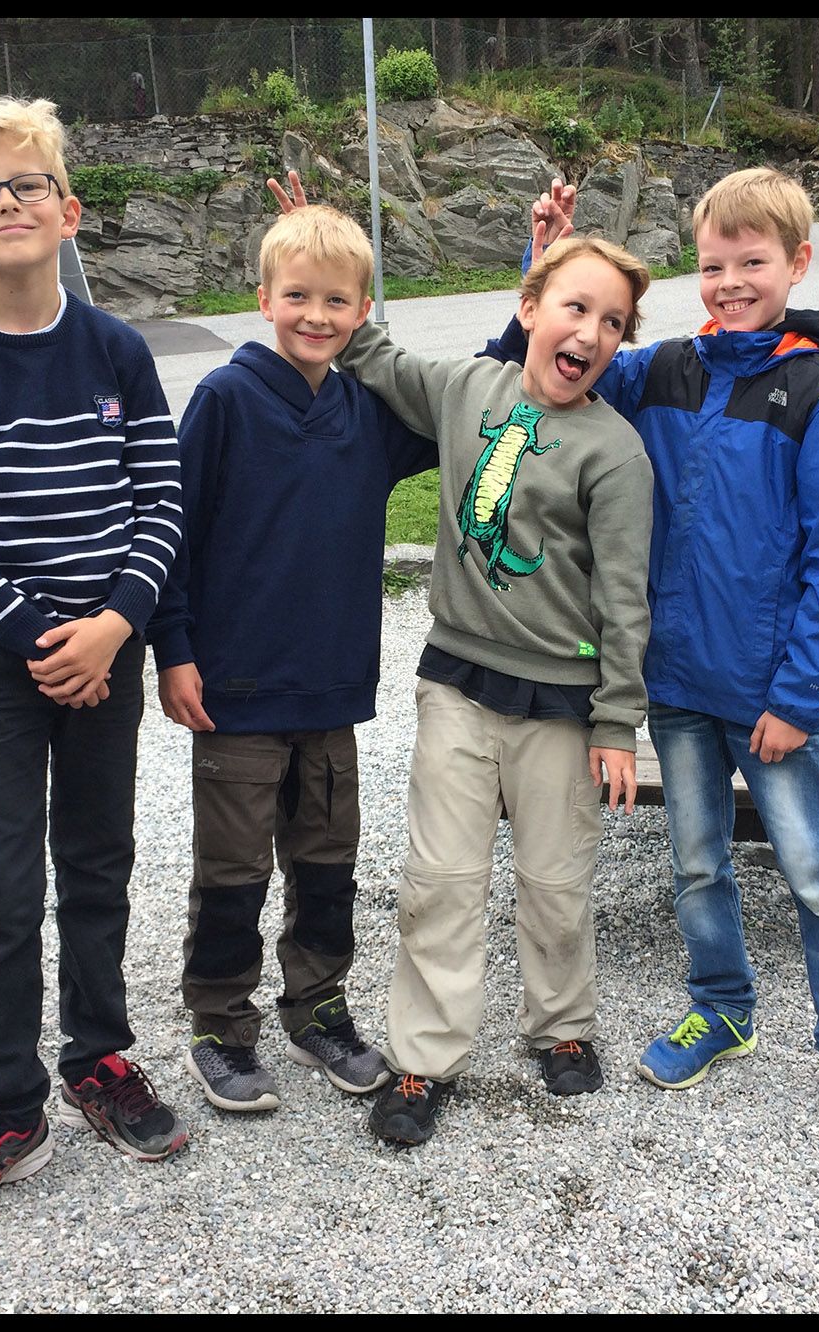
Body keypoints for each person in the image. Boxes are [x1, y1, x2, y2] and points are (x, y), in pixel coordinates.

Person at [519, 169, 819, 1158]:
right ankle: (722, 1008)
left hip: (772, 700)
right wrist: (549, 261)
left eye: (752, 262)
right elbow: (554, 363)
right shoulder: (662, 371)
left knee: (817, 881)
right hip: (679, 688)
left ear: (798, 263)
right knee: (697, 867)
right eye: (713, 265)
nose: (731, 282)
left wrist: (802, 697)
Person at [0, 95, 187, 1242]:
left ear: (69, 210)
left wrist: (113, 626)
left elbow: (159, 501)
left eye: (27, 185)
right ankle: (6, 1104)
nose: (6, 203)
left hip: (108, 649)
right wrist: (40, 640)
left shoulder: (117, 351)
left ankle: (97, 1055)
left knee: (98, 866)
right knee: (2, 896)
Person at [327, 220, 654, 1147]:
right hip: (458, 684)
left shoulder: (616, 454)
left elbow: (625, 599)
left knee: (555, 881)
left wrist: (617, 723)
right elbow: (373, 354)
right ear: (530, 309)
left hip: (563, 704)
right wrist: (327, 261)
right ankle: (425, 1058)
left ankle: (562, 1025)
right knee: (440, 879)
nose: (590, 333)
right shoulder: (467, 388)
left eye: (613, 323)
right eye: (576, 308)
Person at [149, 200, 437, 1115]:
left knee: (326, 868)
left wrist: (527, 301)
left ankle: (316, 1007)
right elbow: (172, 533)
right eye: (300, 296)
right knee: (232, 873)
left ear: (363, 313)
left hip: (331, 689)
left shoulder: (365, 413)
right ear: (264, 297)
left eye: (337, 301)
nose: (317, 315)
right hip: (235, 689)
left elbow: (468, 407)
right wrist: (173, 649)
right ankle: (219, 1024)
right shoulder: (226, 401)